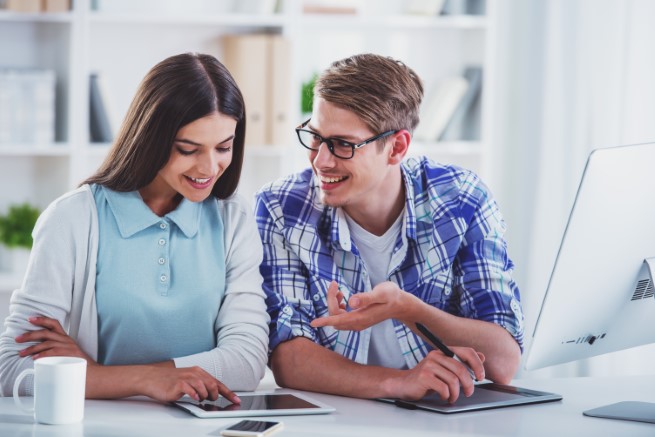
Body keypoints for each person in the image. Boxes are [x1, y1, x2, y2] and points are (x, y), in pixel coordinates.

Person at [0, 53, 269, 403]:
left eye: (224, 147)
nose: (209, 167)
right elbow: (11, 370)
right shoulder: (72, 218)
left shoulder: (232, 219)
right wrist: (143, 380)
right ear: (150, 138)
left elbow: (247, 362)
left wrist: (94, 375)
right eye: (188, 149)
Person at [255, 53, 524, 403]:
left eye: (342, 144)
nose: (321, 159)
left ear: (396, 147)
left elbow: (504, 361)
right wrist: (397, 383)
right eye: (316, 137)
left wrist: (408, 310)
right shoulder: (281, 208)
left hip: (444, 419)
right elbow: (287, 359)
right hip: (337, 418)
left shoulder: (462, 200)